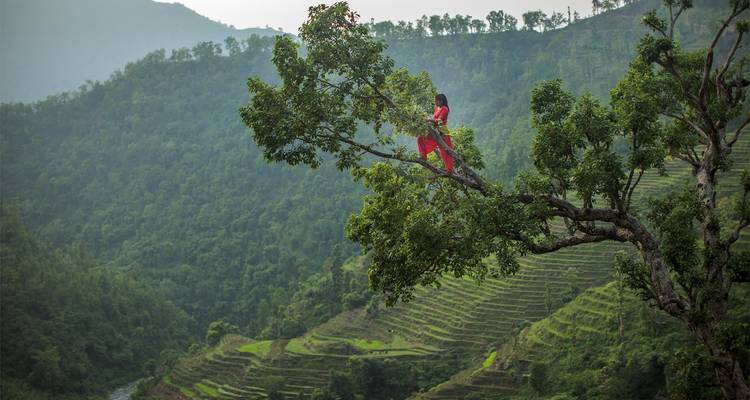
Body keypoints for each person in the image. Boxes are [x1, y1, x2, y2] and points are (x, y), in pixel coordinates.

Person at [417, 93, 454, 173]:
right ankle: (423, 156)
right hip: (435, 131)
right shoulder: (437, 108)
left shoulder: (445, 109)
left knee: (445, 152)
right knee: (420, 138)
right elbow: (434, 118)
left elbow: (439, 121)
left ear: (441, 101)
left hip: (442, 131)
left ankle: (449, 170)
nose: (435, 103)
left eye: (436, 101)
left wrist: (429, 119)